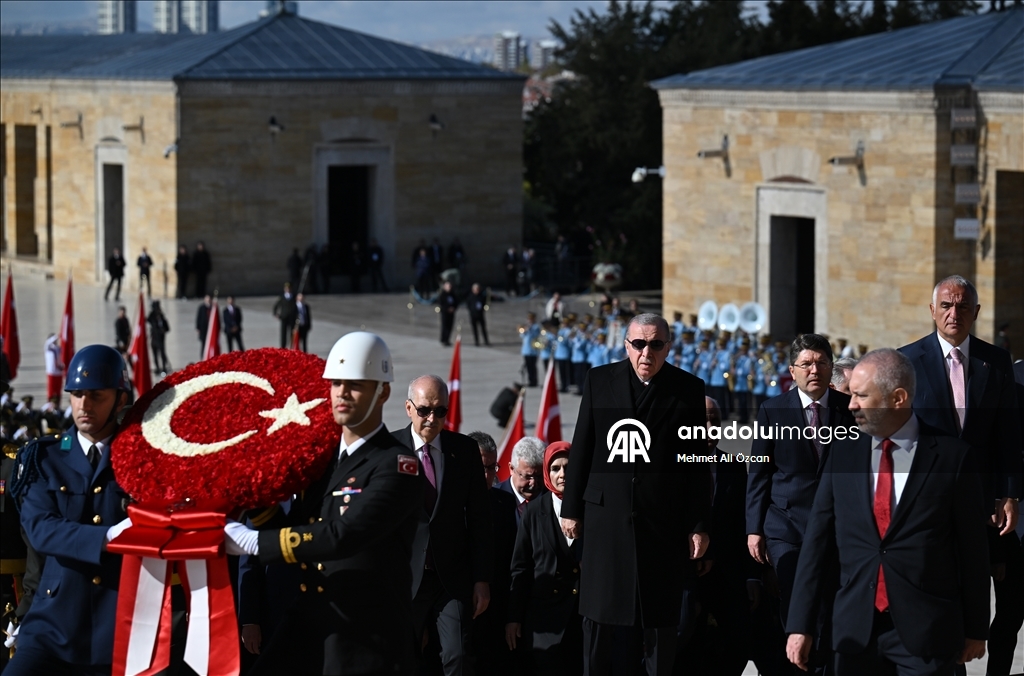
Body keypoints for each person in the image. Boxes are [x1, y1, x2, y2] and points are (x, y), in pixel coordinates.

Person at [224, 332, 425, 676]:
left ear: (384, 393)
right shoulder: (325, 461)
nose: (342, 393)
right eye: (335, 384)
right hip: (310, 621)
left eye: (356, 385)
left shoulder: (397, 465)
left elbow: (343, 535)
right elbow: (298, 529)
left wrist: (254, 542)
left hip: (365, 639)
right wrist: (257, 503)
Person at [786, 349, 990, 675]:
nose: (850, 404)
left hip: (927, 632)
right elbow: (817, 543)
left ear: (898, 398)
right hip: (854, 631)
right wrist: (800, 624)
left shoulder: (952, 458)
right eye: (851, 394)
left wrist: (977, 628)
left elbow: (973, 549)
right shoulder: (842, 454)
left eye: (861, 396)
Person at [560, 313, 710, 676]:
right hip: (606, 518)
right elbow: (583, 446)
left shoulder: (688, 389)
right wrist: (571, 508)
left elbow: (696, 464)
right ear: (626, 345)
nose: (647, 352)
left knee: (659, 618)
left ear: (668, 347)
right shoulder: (599, 380)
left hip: (661, 522)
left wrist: (699, 524)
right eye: (639, 344)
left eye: (656, 344)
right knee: (598, 617)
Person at [898, 275, 1022, 675]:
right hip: (928, 505)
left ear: (977, 313)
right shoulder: (907, 361)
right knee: (938, 593)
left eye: (963, 306)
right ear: (932, 310)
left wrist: (1009, 494)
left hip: (983, 506)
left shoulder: (995, 362)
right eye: (946, 306)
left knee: (980, 595)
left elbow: (1007, 436)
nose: (955, 314)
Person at [6, 345, 133, 675]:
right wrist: (106, 537)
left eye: (96, 396)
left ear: (120, 399)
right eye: (77, 395)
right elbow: (41, 529)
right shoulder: (43, 457)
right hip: (52, 628)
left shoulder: (139, 460)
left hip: (120, 626)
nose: (84, 405)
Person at [745, 334, 854, 672]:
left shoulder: (847, 411)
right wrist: (754, 531)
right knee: (795, 601)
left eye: (821, 362)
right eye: (806, 363)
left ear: (831, 367)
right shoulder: (772, 411)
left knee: (829, 605)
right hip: (787, 527)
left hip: (837, 528)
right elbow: (759, 475)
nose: (814, 370)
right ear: (792, 371)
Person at [676, 398, 789, 676]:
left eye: (715, 420)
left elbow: (745, 525)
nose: (709, 427)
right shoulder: (671, 468)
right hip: (685, 576)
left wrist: (753, 576)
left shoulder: (734, 466)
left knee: (738, 641)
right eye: (702, 420)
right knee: (685, 642)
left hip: (729, 576)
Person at [394, 375, 493, 676]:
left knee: (458, 657)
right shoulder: (388, 450)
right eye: (424, 410)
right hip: (403, 579)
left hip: (450, 579)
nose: (432, 418)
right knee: (402, 660)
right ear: (408, 408)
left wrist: (482, 579)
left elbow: (479, 518)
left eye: (441, 411)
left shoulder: (464, 451)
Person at [506, 440, 584, 676]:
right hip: (545, 623)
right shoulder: (533, 511)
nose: (562, 474)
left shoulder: (593, 506)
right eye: (555, 468)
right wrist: (513, 618)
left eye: (568, 467)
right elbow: (521, 568)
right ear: (546, 473)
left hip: (583, 620)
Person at [469, 430, 518, 676]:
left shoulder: (505, 503)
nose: (487, 475)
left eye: (492, 467)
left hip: (496, 614)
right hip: (459, 611)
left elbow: (514, 563)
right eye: (481, 467)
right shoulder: (446, 504)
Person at [501, 437, 547, 526]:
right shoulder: (493, 500)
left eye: (539, 476)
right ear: (511, 468)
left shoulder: (553, 500)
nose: (533, 483)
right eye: (528, 476)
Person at [147, 300, 170, 374]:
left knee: (162, 354)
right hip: (154, 339)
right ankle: (157, 368)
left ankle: (163, 368)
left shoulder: (162, 317)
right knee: (155, 355)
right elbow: (148, 320)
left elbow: (167, 328)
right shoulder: (152, 316)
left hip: (161, 339)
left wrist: (163, 330)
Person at [272, 283, 297, 349]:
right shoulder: (282, 297)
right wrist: (275, 314)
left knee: (292, 332)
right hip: (284, 317)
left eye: (289, 288)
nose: (288, 290)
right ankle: (283, 346)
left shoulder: (294, 296)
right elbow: (276, 305)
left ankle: (291, 346)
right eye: (286, 288)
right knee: (283, 333)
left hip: (292, 317)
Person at [520, 312, 541, 387]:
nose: (529, 320)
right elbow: (522, 335)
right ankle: (530, 380)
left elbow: (535, 335)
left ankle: (534, 380)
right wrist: (524, 330)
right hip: (526, 350)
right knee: (528, 366)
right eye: (529, 319)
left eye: (531, 319)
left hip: (533, 350)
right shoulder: (525, 327)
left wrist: (529, 328)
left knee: (533, 366)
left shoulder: (536, 327)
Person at [43, 334, 63, 403]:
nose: (55, 341)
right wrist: (59, 335)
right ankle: (50, 405)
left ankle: (57, 406)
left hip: (59, 372)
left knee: (58, 391)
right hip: (51, 373)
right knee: (51, 391)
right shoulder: (48, 348)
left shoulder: (59, 348)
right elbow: (48, 343)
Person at [439, 281, 458, 347]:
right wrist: (447, 309)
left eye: (450, 286)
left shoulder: (453, 294)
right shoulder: (442, 295)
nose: (449, 287)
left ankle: (447, 339)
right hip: (445, 313)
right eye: (448, 286)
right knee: (445, 326)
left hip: (451, 313)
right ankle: (443, 339)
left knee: (450, 326)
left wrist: (453, 308)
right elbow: (441, 304)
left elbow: (456, 302)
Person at [195, 294, 212, 359]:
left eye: (209, 299)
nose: (208, 300)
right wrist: (198, 328)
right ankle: (203, 357)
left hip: (210, 329)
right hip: (203, 330)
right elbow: (198, 318)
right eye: (207, 299)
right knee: (203, 344)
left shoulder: (213, 308)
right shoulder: (201, 308)